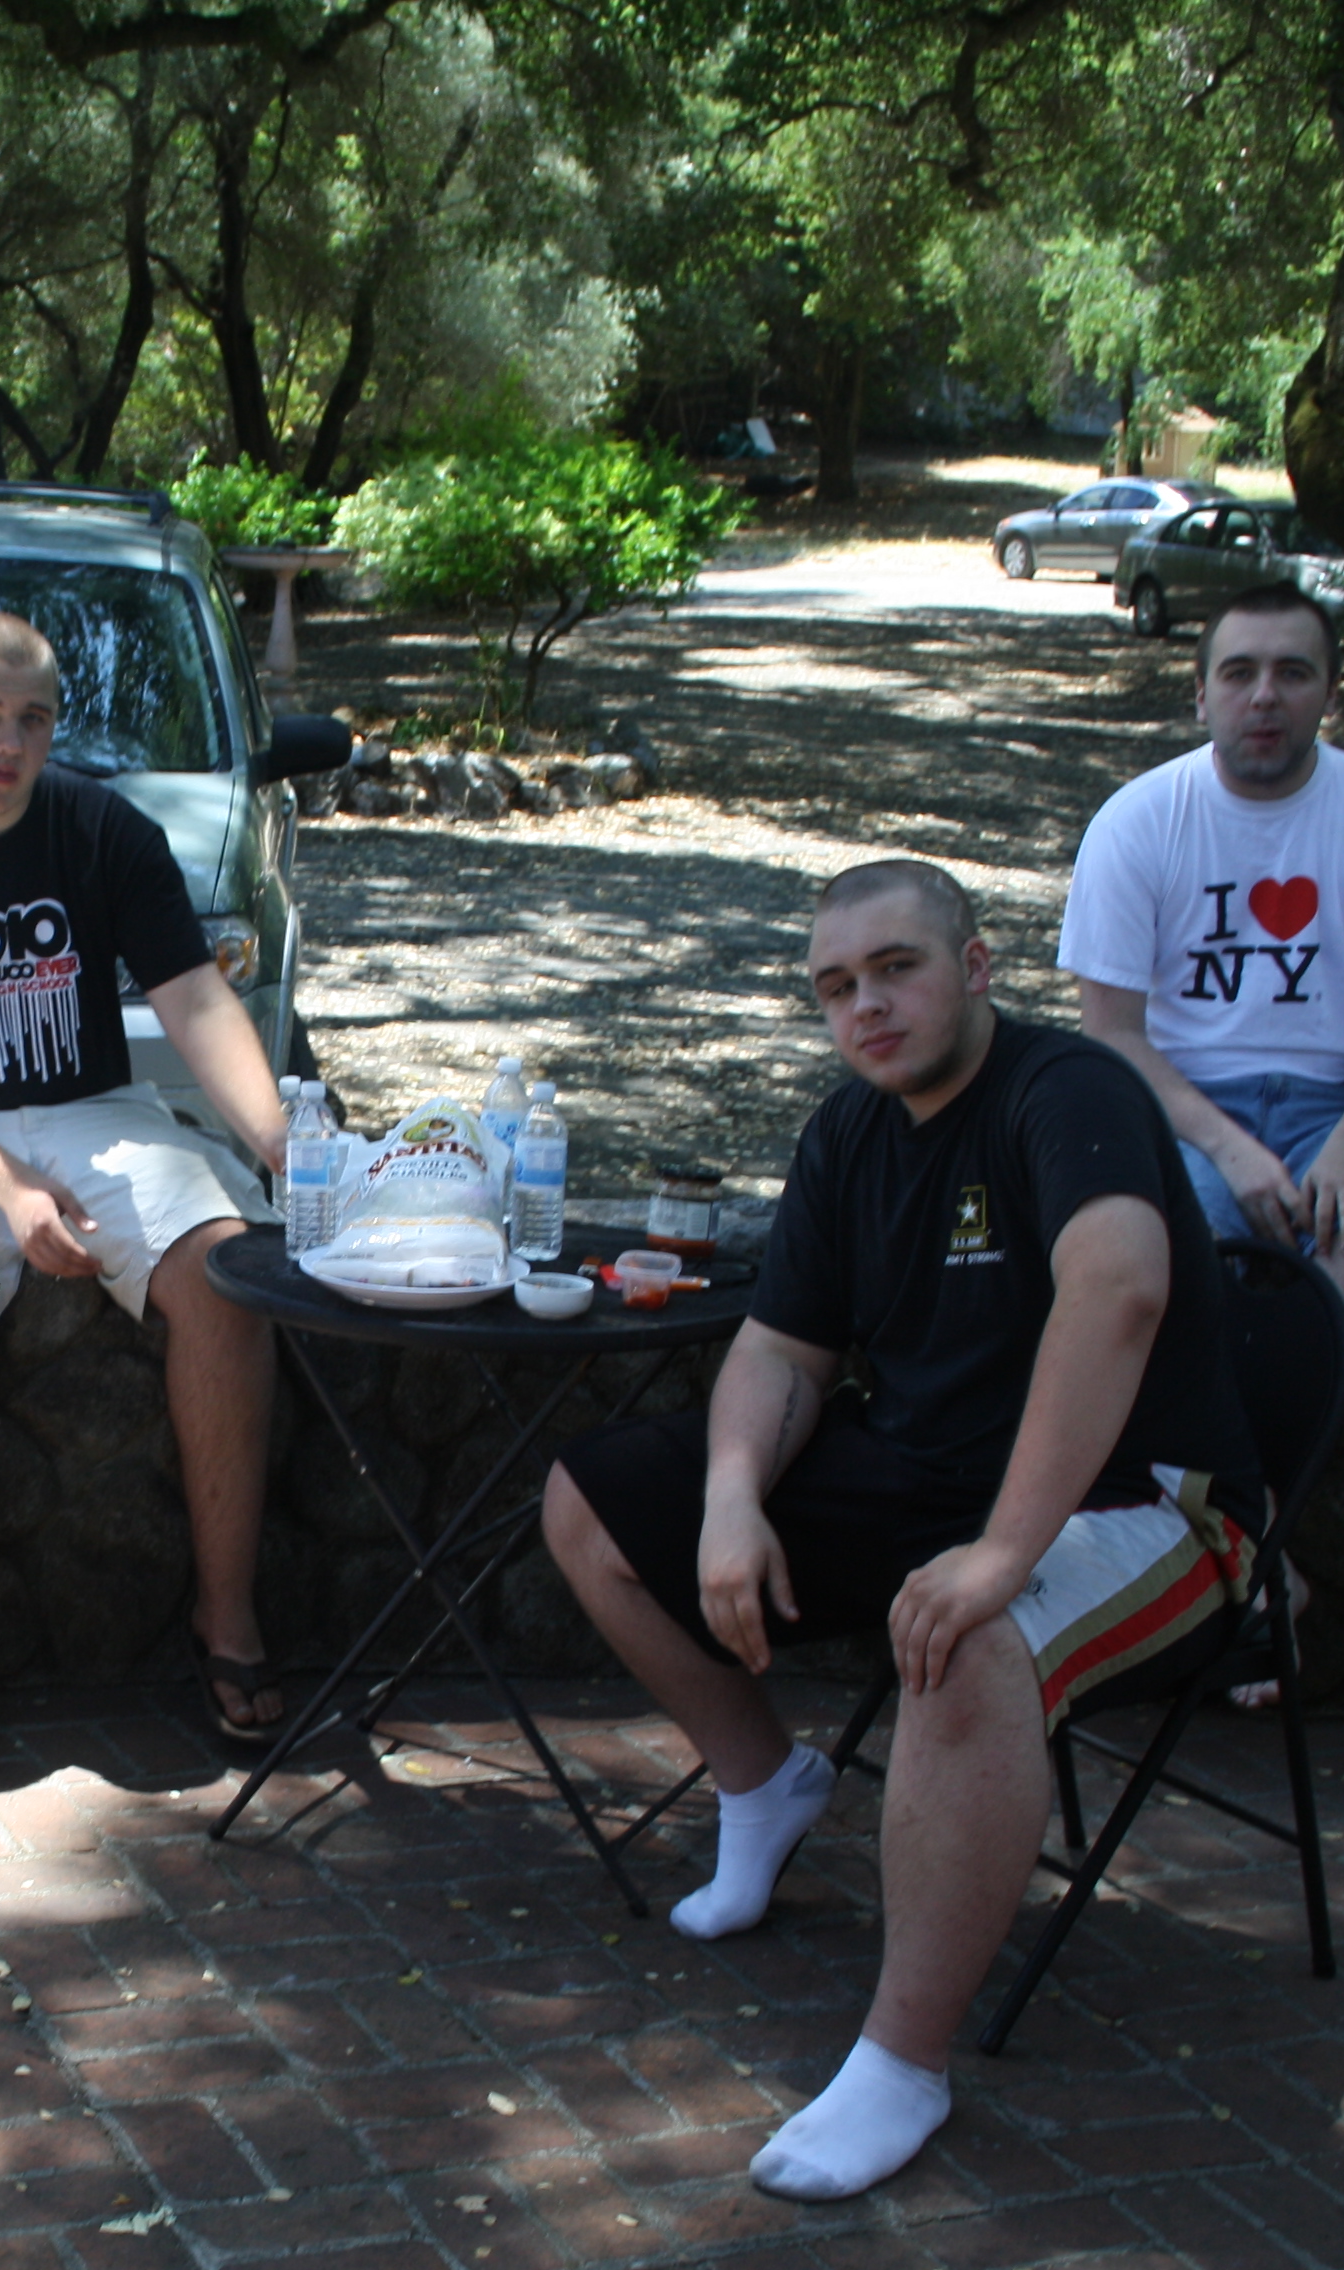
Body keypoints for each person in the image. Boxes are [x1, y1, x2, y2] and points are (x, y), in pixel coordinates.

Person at [541, 860, 1264, 2202]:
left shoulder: (1070, 1090)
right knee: (595, 1499)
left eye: (895, 970)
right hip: (925, 1475)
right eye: (835, 988)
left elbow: (1119, 1291)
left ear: (976, 968)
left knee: (968, 1635)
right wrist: (731, 1498)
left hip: (1144, 1501)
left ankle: (902, 2063)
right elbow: (782, 1348)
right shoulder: (849, 1134)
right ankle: (764, 1787)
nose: (865, 1007)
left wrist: (1001, 1555)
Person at [0, 608, 290, 1782]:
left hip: (95, 1111)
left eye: (33, 719)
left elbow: (195, 999)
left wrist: (285, 1144)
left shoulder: (105, 832)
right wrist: (14, 1189)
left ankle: (227, 1618)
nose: (9, 744)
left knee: (226, 1273)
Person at [1057, 579, 1344, 1393]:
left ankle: (1280, 1468)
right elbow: (1111, 1035)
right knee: (1174, 1250)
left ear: (1329, 693)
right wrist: (1227, 1146)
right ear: (1200, 694)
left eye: (1292, 672)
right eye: (1239, 672)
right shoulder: (1136, 822)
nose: (1263, 696)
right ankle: (1189, 1465)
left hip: (1337, 1105)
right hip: (1181, 1109)